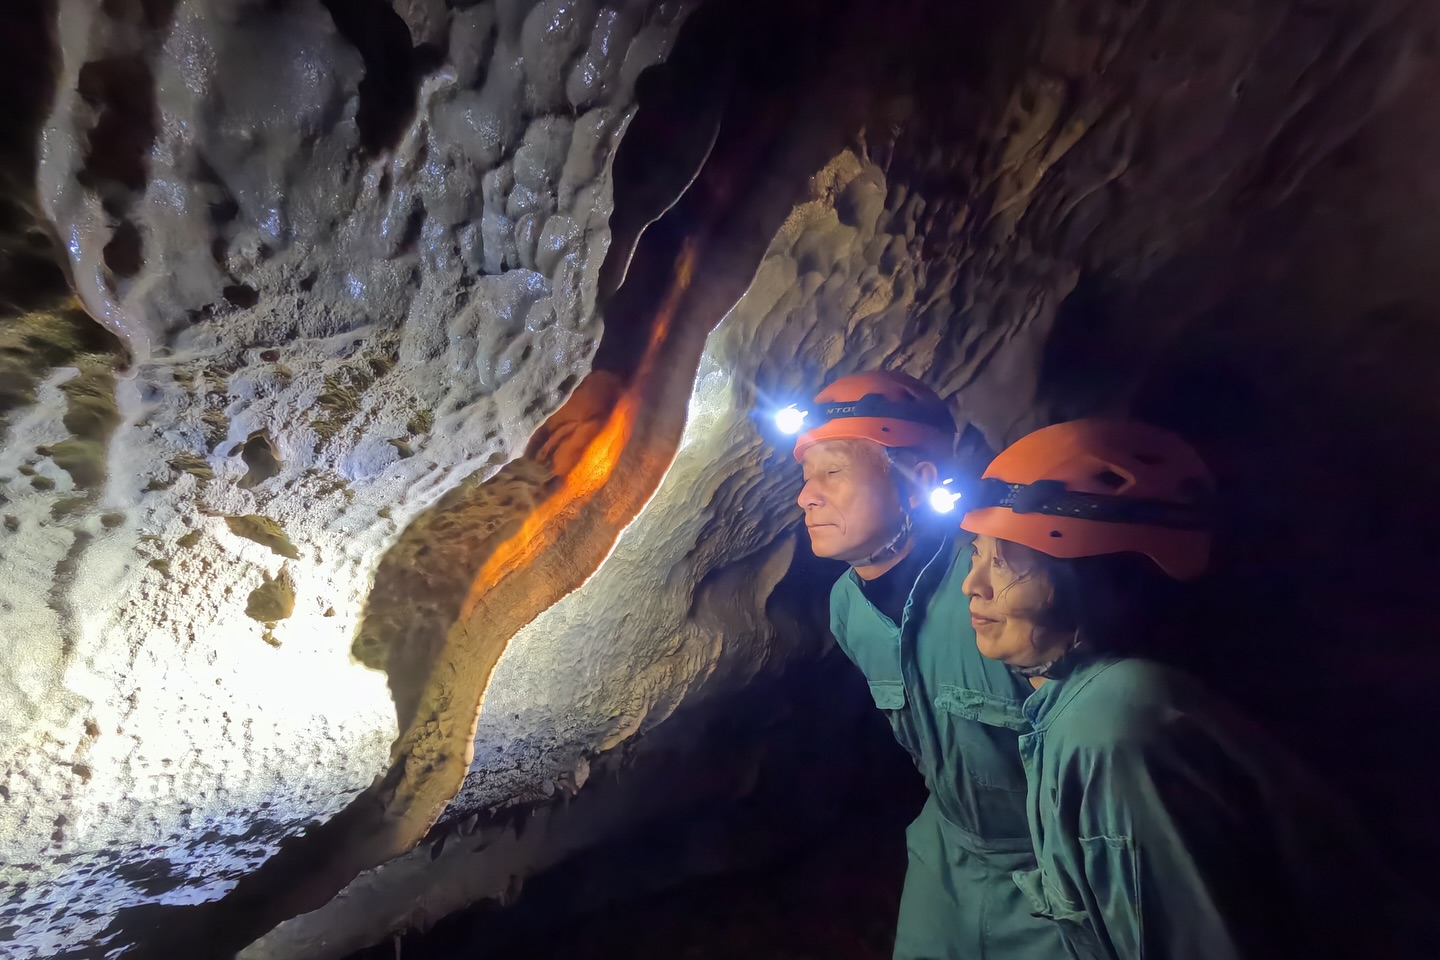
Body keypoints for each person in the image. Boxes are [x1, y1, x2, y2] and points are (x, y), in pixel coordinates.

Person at [957, 417, 1434, 960]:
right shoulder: (1090, 698)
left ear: (1091, 578)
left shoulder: (1116, 732)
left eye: (1008, 560)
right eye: (977, 551)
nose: (974, 584)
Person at [793, 370, 1068, 960]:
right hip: (947, 852)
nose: (805, 495)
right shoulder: (846, 607)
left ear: (916, 484)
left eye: (833, 473)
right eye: (806, 476)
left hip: (1055, 866)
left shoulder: (1000, 584)